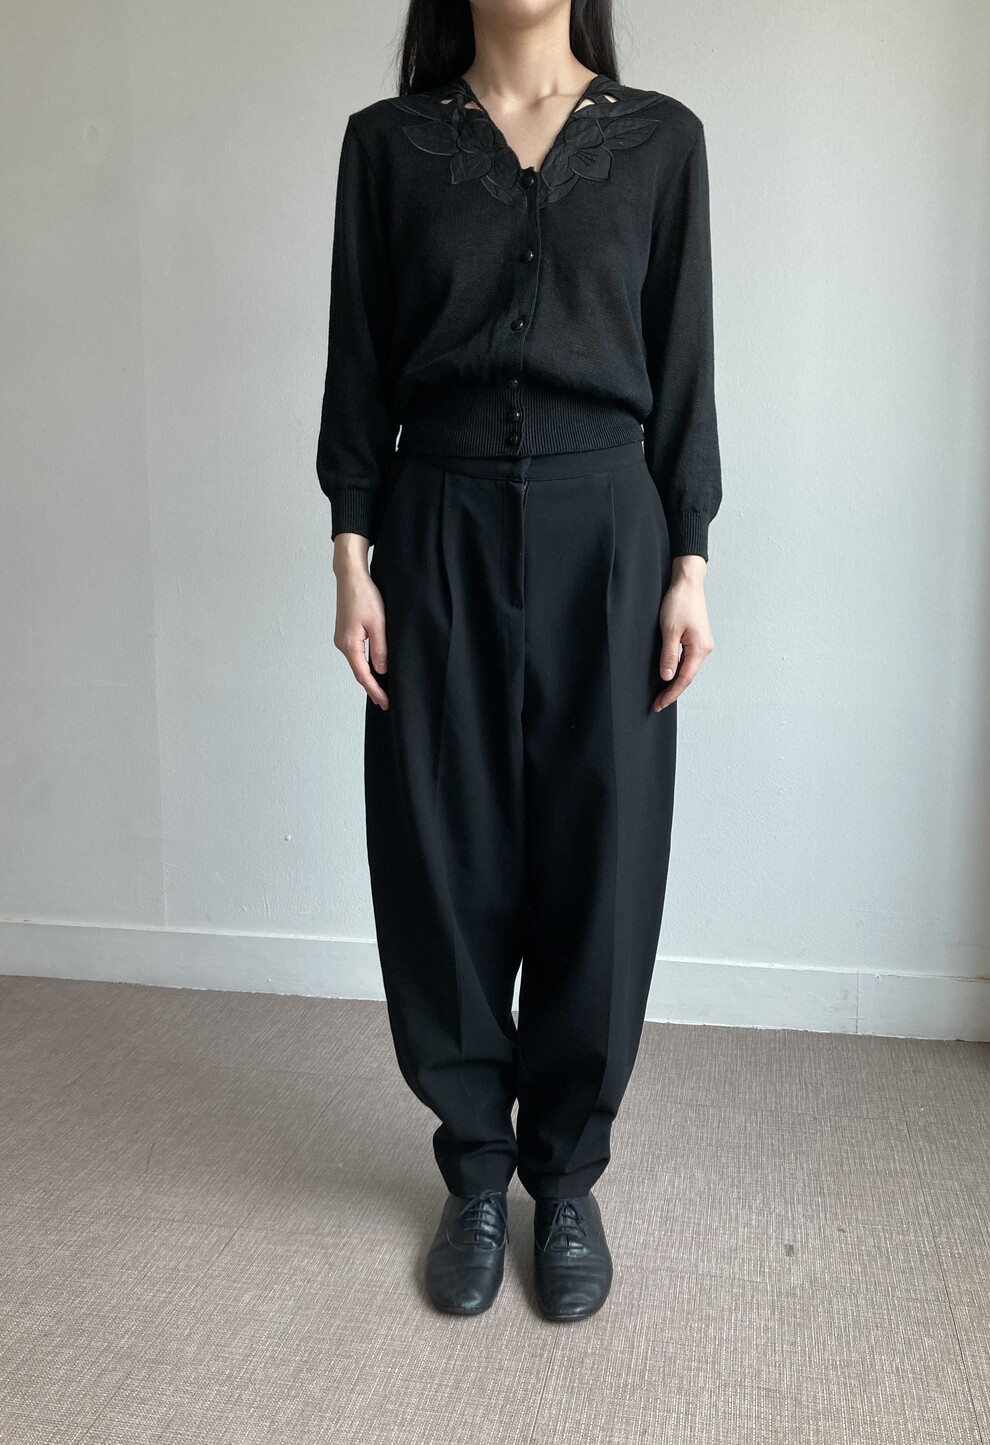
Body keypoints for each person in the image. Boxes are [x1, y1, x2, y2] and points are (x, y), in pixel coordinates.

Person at [316, 0, 722, 1321]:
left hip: (611, 527)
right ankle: (477, 1172)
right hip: (434, 519)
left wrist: (690, 562)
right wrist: (351, 553)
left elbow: (684, 364)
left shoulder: (660, 142)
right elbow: (359, 362)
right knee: (442, 851)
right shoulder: (389, 146)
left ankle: (566, 1178)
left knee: (603, 858)